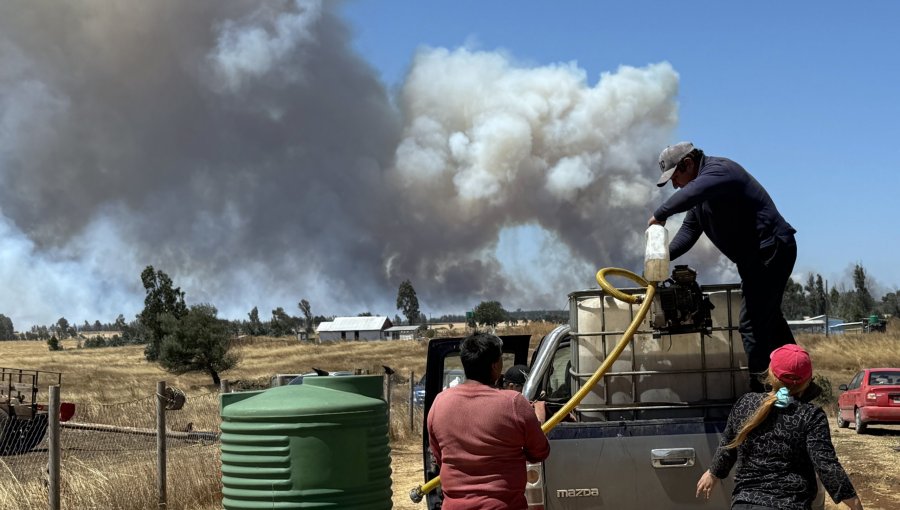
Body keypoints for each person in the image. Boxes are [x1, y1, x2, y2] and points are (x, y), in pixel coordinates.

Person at [649, 142, 797, 391]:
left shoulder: (720, 171)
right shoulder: (700, 198)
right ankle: (798, 382)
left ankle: (760, 393)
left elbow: (690, 194)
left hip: (771, 250)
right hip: (755, 260)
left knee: (751, 325)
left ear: (688, 163)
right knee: (770, 321)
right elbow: (689, 231)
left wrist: (660, 214)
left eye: (676, 177)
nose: (675, 185)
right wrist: (660, 258)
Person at [696, 344, 863, 510]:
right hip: (789, 504)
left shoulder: (746, 403)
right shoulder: (811, 416)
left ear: (770, 373)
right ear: (807, 381)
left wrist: (712, 473)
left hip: (744, 503)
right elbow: (825, 464)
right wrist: (853, 502)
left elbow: (728, 446)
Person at [427, 333, 550, 509]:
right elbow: (539, 452)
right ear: (495, 366)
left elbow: (440, 457)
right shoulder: (514, 403)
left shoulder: (440, 402)